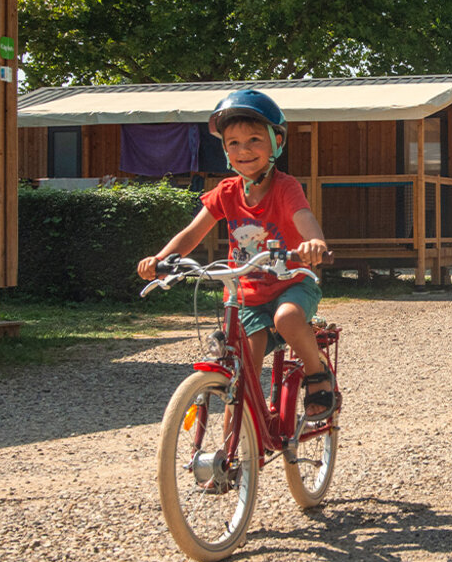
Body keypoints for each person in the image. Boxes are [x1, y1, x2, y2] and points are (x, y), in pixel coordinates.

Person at [136, 89, 335, 418]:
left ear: (276, 142)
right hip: (248, 295)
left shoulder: (285, 188)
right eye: (233, 143)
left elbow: (305, 219)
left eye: (255, 140)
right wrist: (161, 260)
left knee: (286, 318)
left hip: (292, 285)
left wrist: (315, 244)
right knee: (242, 372)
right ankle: (236, 449)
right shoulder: (225, 192)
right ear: (225, 149)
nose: (244, 150)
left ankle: (316, 374)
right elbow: (191, 233)